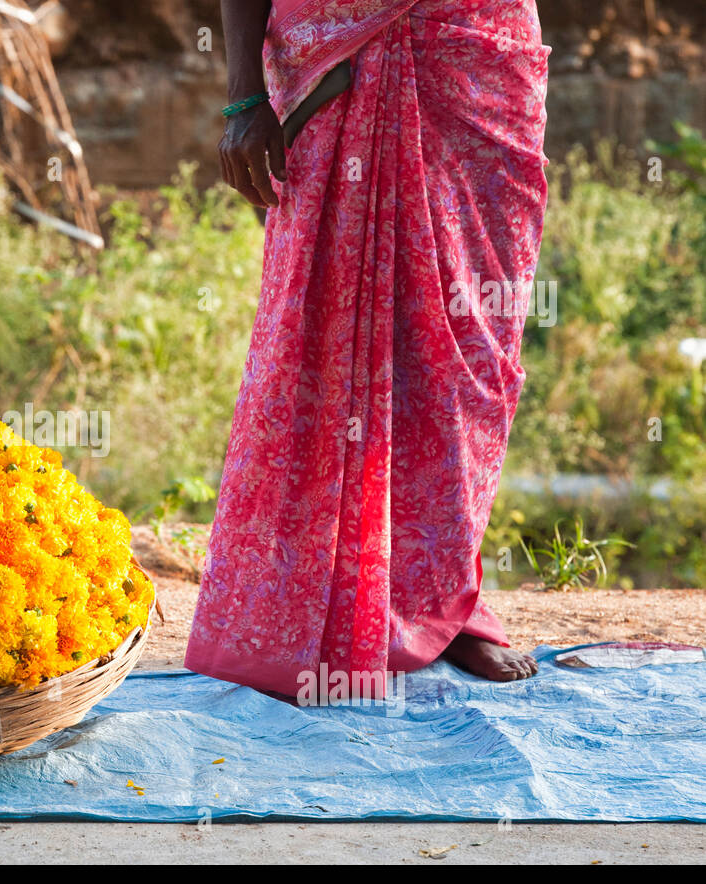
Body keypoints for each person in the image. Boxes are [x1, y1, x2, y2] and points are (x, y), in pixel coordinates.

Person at [186, 0, 549, 700]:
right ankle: (303, 604)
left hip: (477, 57)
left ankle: (449, 603)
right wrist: (242, 98)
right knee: (323, 335)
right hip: (338, 57)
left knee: (466, 342)